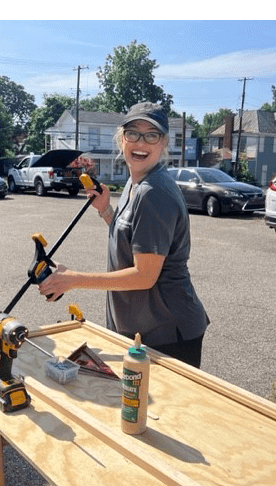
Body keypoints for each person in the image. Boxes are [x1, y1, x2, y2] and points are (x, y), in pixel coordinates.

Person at [38, 102, 209, 368]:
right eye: (133, 133)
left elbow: (144, 275)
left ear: (163, 143)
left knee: (161, 408)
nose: (141, 142)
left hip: (167, 333)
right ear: (122, 138)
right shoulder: (136, 180)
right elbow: (134, 241)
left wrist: (71, 280)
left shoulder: (154, 192)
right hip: (144, 329)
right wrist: (107, 211)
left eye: (151, 135)